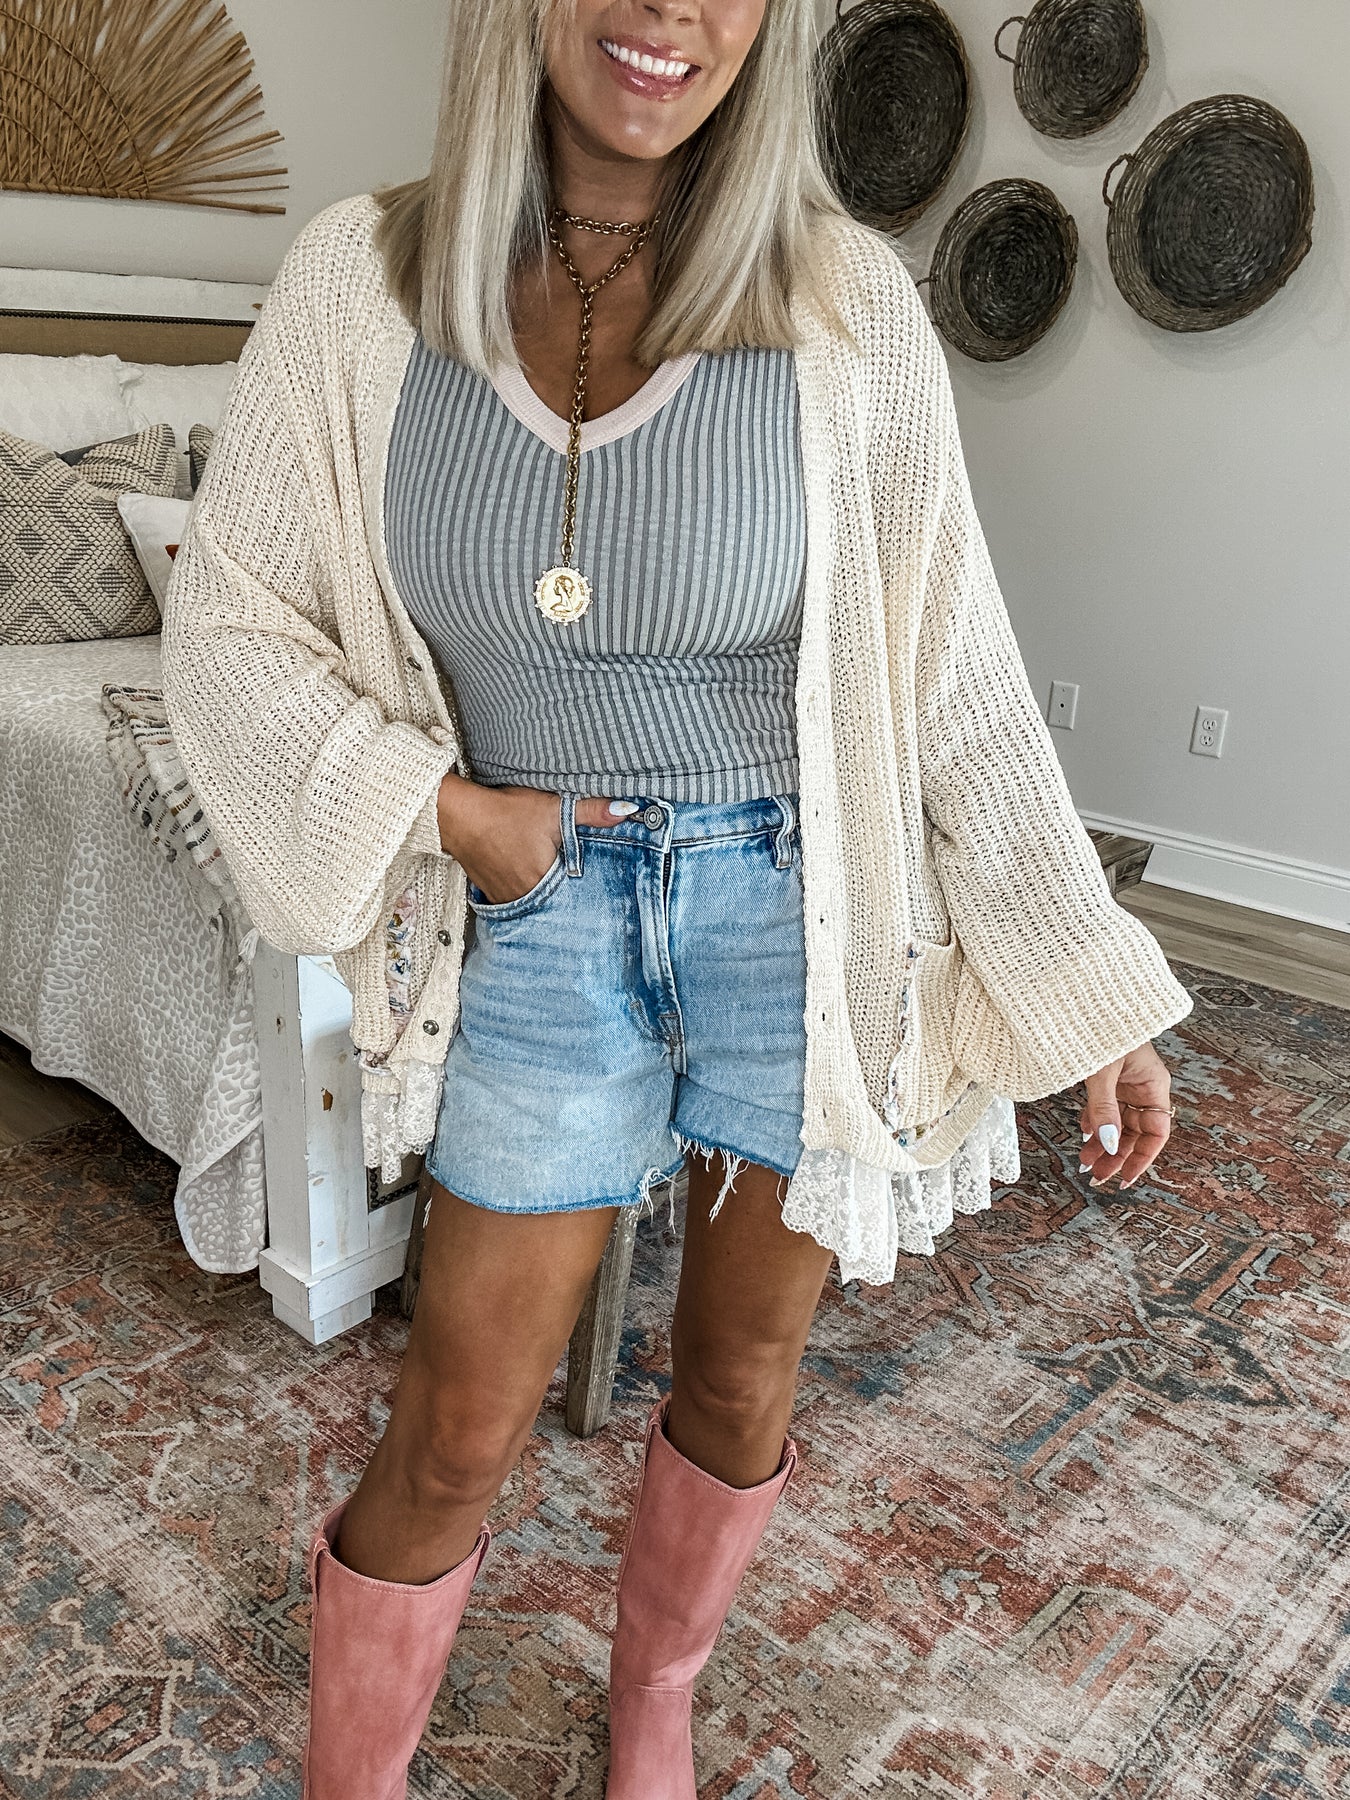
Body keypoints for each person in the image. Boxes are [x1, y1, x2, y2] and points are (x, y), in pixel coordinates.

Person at [160, 1, 1194, 1794]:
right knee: (456, 1423)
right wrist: (445, 810)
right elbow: (233, 626)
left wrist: (1090, 986)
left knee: (733, 1377)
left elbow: (952, 673)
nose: (667, 15)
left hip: (795, 919)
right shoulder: (359, 279)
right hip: (537, 910)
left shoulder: (844, 302)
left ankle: (652, 1706)